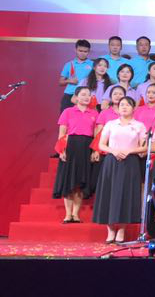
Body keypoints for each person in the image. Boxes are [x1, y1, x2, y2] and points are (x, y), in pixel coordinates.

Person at [92, 96, 146, 243]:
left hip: (130, 162)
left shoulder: (139, 125)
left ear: (133, 108)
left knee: (126, 194)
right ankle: (110, 230)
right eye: (122, 104)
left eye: (128, 105)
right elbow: (101, 144)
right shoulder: (111, 124)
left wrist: (129, 151)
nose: (124, 107)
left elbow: (144, 146)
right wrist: (114, 151)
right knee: (109, 193)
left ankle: (121, 230)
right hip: (112, 161)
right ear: (117, 108)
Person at [53, 86, 98, 223]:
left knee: (80, 182)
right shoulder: (68, 112)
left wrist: (95, 151)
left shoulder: (94, 113)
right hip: (70, 146)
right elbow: (62, 134)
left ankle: (76, 214)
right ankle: (68, 215)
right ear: (76, 97)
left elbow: (96, 135)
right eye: (83, 94)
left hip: (86, 148)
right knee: (69, 181)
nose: (86, 97)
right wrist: (62, 150)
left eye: (89, 95)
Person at [58, 39, 93, 112]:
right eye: (80, 51)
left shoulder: (92, 64)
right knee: (65, 117)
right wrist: (69, 80)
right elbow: (60, 82)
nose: (82, 53)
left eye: (85, 51)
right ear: (75, 50)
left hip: (85, 96)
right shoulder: (69, 64)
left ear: (89, 51)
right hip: (69, 94)